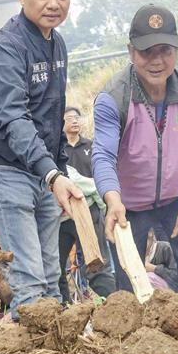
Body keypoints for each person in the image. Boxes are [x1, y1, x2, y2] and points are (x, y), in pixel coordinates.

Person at [0, 0, 84, 318]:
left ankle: (56, 347)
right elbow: (12, 117)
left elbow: (53, 111)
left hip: (40, 170)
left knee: (51, 277)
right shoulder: (7, 46)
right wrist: (52, 174)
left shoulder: (57, 43)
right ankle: (30, 350)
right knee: (29, 280)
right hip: (1, 168)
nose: (53, 3)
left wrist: (59, 171)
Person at [93, 4, 178, 293]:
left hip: (177, 199)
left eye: (165, 51)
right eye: (147, 51)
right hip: (127, 206)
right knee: (128, 288)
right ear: (131, 51)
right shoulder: (114, 98)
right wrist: (113, 200)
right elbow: (103, 156)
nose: (157, 61)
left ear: (177, 50)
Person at [57, 107, 116, 303]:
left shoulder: (91, 146)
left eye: (77, 117)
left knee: (96, 263)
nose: (75, 121)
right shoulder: (58, 149)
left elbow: (98, 180)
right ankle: (63, 306)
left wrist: (104, 209)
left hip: (89, 211)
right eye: (69, 118)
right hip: (63, 216)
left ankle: (118, 303)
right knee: (56, 267)